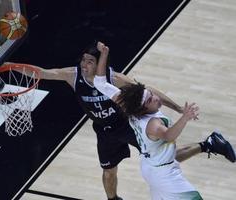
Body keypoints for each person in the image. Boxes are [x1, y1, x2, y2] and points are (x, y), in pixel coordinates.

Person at [11, 41, 235, 200]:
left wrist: (177, 108)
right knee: (110, 171)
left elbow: (145, 91)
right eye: (84, 60)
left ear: (98, 64)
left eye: (90, 61)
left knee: (162, 154)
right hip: (104, 130)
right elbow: (42, 73)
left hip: (126, 125)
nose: (84, 64)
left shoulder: (115, 81)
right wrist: (9, 68)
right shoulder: (75, 76)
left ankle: (207, 144)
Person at [93, 42, 236, 199]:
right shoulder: (153, 124)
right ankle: (209, 144)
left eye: (151, 94)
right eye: (150, 100)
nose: (155, 98)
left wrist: (104, 54)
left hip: (151, 165)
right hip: (164, 174)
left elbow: (99, 83)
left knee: (168, 153)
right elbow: (168, 136)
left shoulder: (129, 107)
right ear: (143, 109)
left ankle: (209, 143)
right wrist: (185, 117)